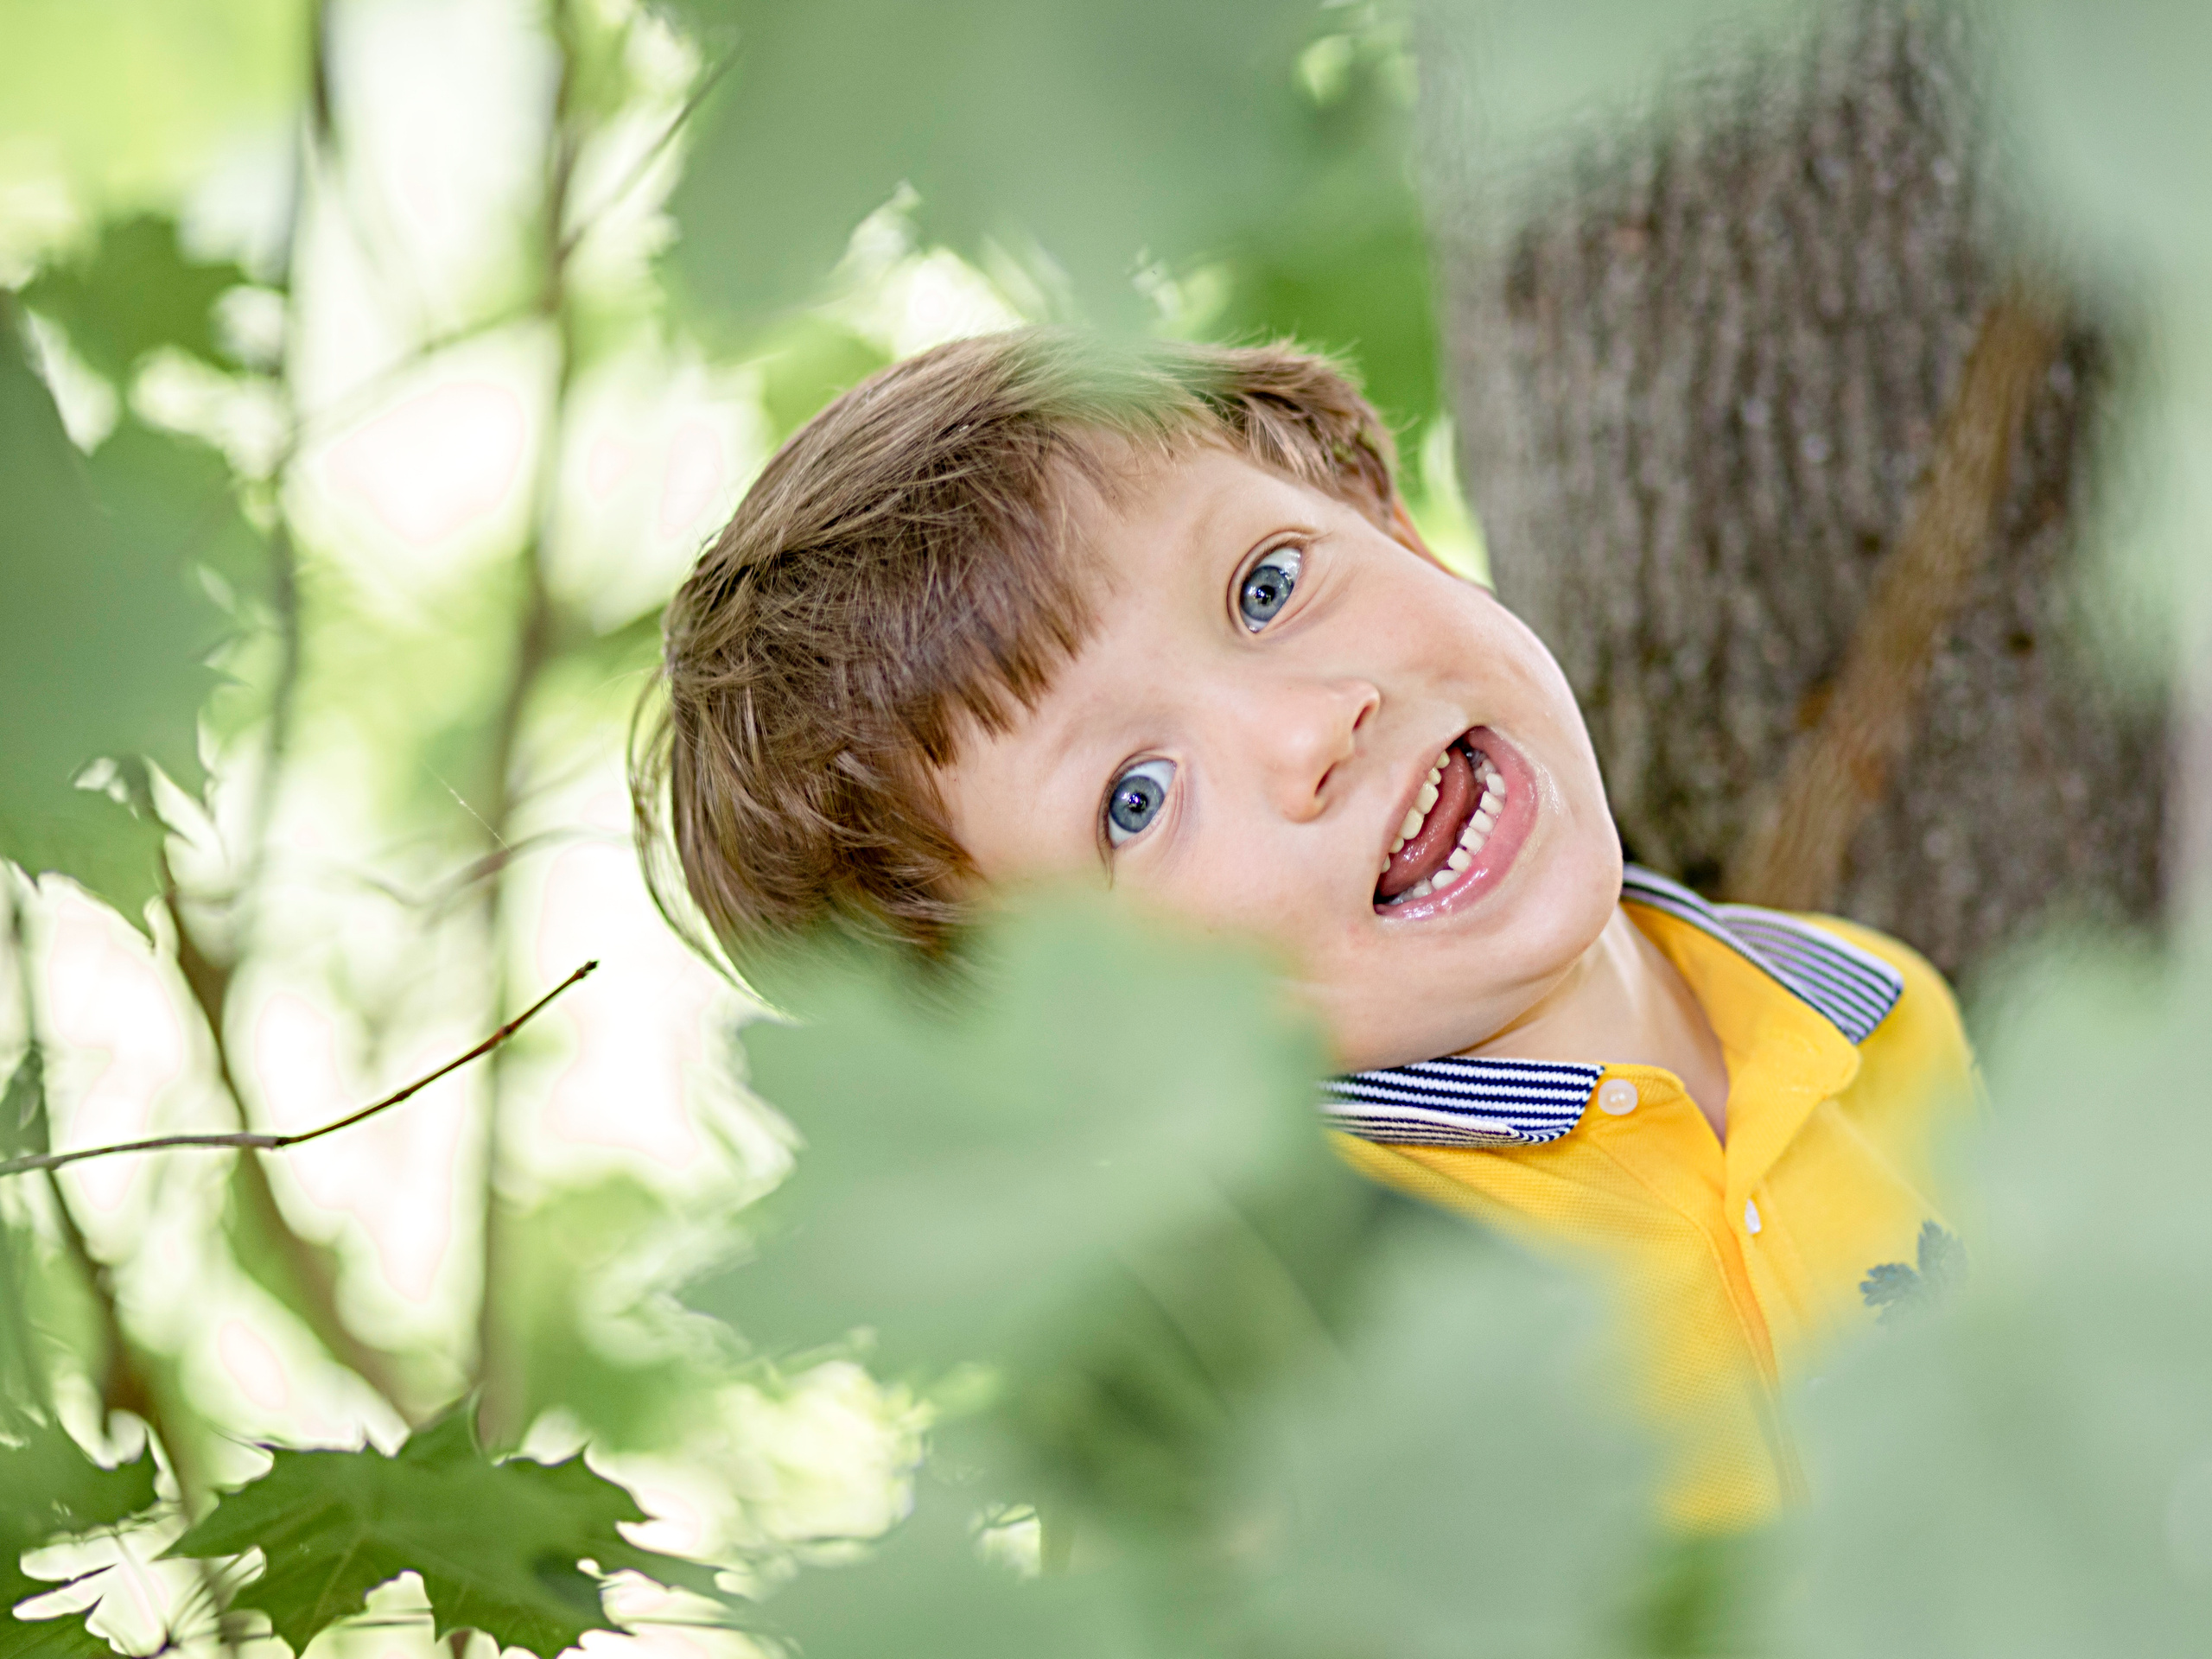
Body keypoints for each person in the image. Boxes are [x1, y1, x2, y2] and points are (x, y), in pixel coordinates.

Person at [632, 328, 1978, 1529]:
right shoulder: (1270, 1369)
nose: (1306, 727)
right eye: (1136, 800)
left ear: (1398, 525)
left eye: (1266, 588)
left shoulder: (1876, 1008)